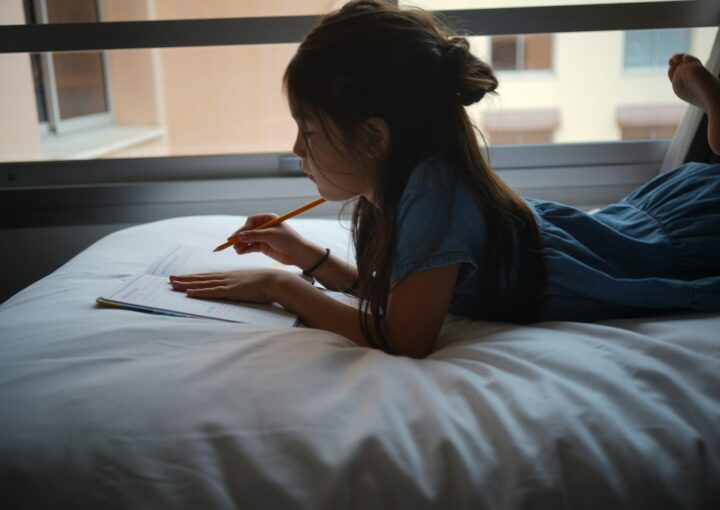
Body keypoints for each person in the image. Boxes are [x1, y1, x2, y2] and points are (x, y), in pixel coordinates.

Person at [169, 0, 720, 358]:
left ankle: (712, 106)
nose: (296, 151)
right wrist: (309, 259)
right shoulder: (406, 183)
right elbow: (406, 295)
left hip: (665, 248)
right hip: (621, 228)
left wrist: (281, 287)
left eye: (308, 132)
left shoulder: (433, 190)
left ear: (374, 138)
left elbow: (406, 335)